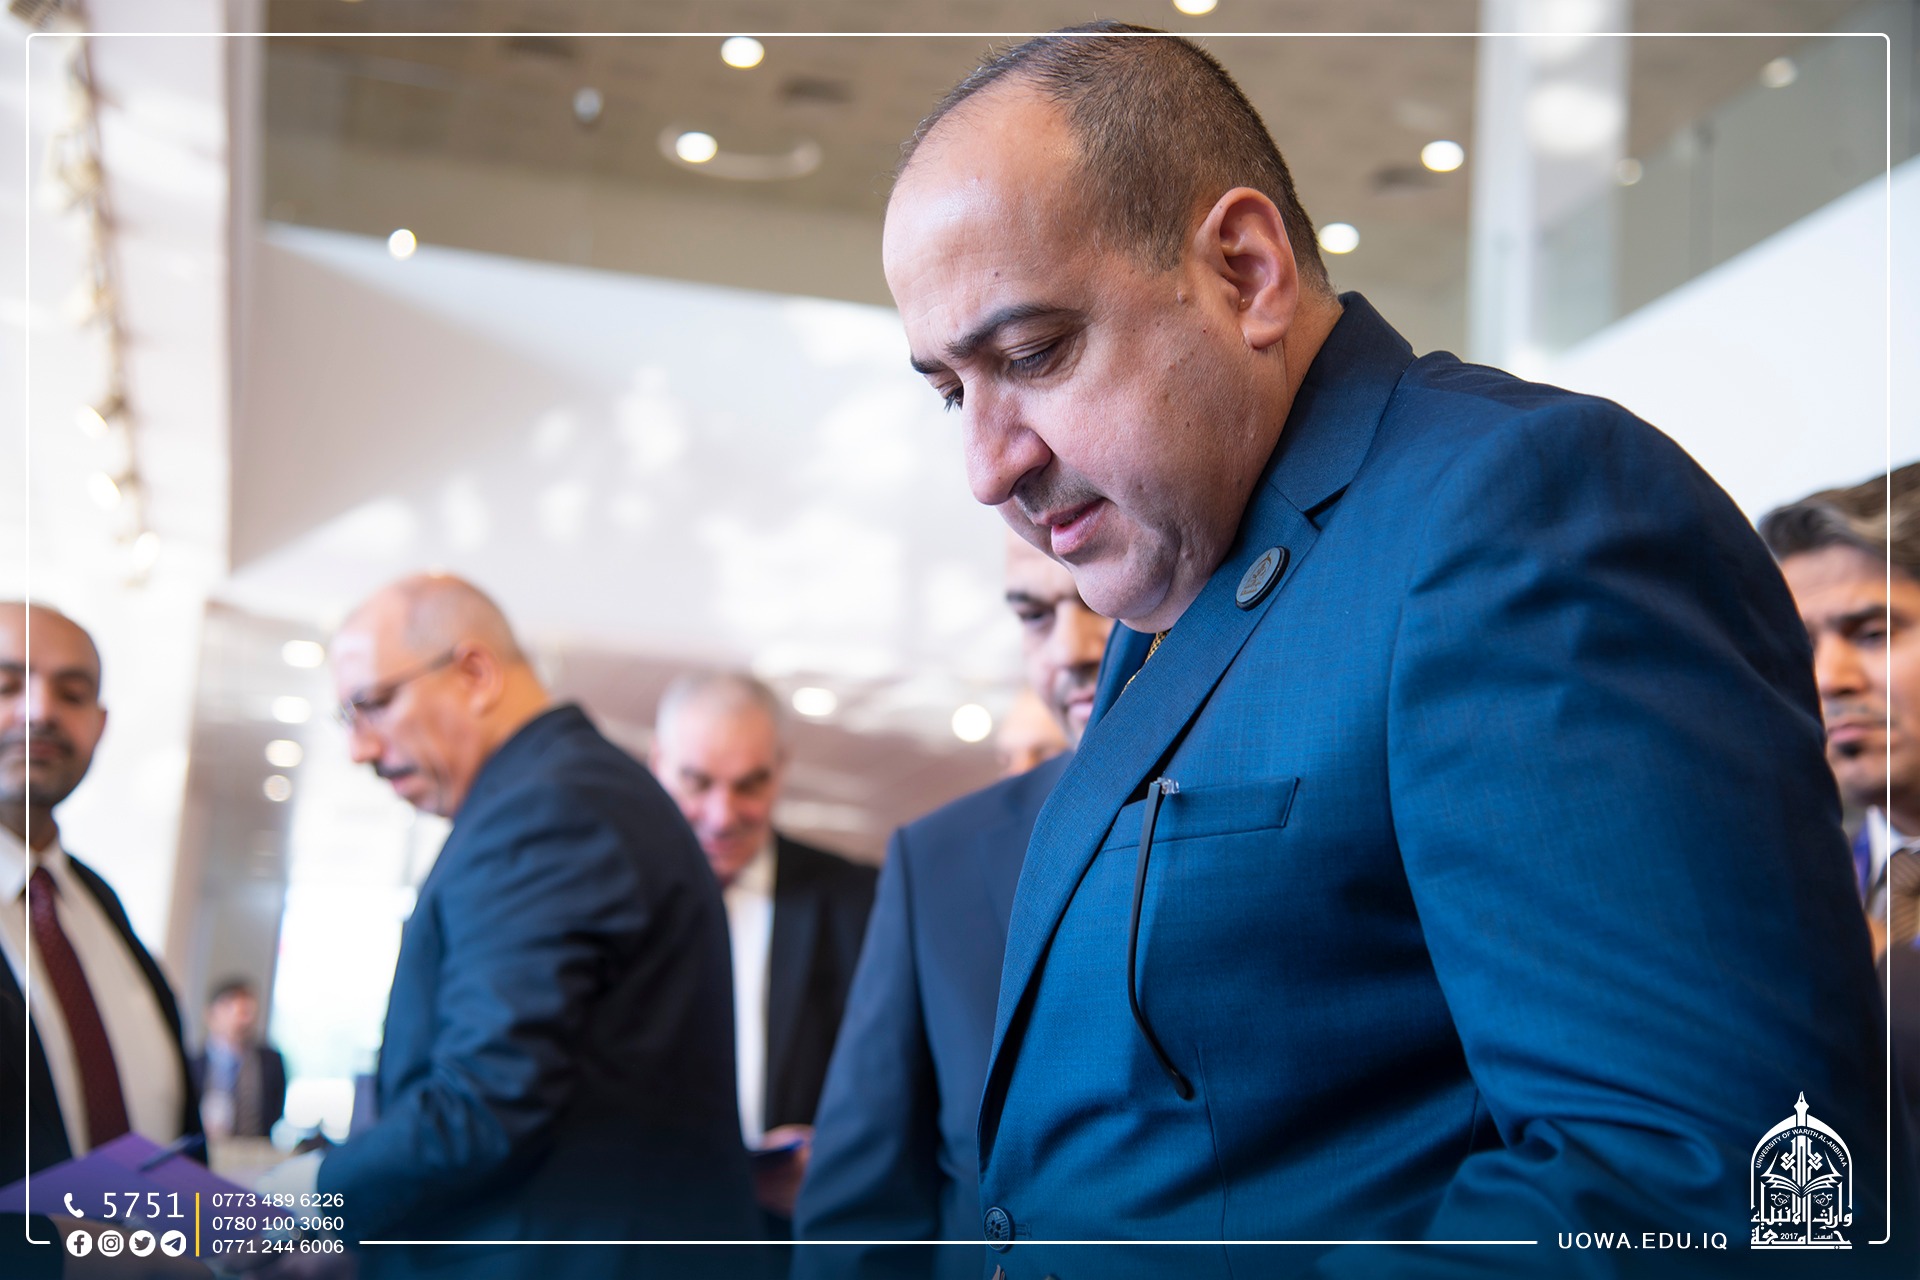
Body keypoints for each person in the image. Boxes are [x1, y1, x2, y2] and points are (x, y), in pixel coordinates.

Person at [880, 23, 1902, 1276]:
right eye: (952, 391)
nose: (987, 466)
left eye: (1032, 354)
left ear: (1246, 271)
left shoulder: (1525, 507)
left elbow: (1705, 1183)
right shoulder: (1190, 570)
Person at [312, 574, 756, 1278]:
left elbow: (483, 1101)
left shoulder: (546, 809)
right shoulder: (568, 789)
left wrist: (295, 1203)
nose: (359, 749)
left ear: (475, 673)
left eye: (373, 704)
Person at [795, 533, 1112, 1278]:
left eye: (1096, 597)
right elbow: (857, 1220)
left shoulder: (1322, 804)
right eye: (1034, 614)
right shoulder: (937, 861)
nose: (1070, 649)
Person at [0, 602, 202, 1277]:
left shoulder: (97, 902)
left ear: (99, 724)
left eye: (72, 693)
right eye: (6, 684)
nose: (39, 711)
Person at [649, 673, 876, 1226]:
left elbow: (889, 1083)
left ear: (781, 769)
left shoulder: (859, 900)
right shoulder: (606, 897)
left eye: (750, 785)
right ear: (658, 764)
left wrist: (835, 1155)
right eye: (697, 783)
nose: (722, 816)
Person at [1761, 463, 1920, 1115]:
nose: (1829, 678)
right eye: (1800, 649)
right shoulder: (1798, 882)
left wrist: (1877, 969)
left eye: (1874, 634)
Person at [190, 977, 287, 1141]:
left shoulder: (271, 1062)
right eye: (232, 1009)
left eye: (247, 1012)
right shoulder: (193, 1065)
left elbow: (275, 1111)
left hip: (255, 1148)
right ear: (211, 1015)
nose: (241, 1020)